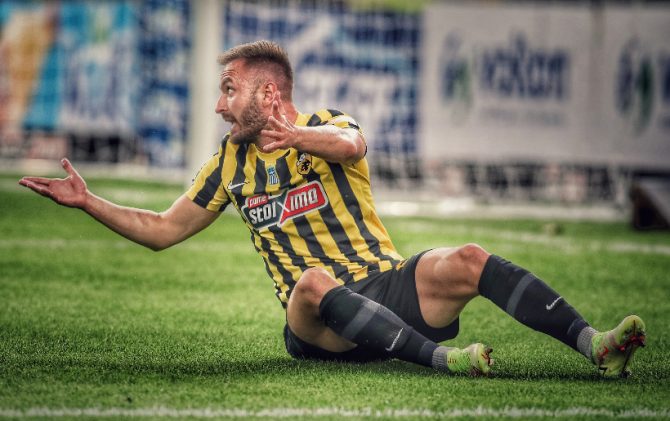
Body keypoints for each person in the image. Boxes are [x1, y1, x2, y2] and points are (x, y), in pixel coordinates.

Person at [19, 40, 646, 378]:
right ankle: (441, 362)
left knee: (469, 258)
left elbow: (353, 145)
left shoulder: (327, 124)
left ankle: (594, 344)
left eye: (229, 90)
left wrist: (295, 137)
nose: (218, 106)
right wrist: (88, 201)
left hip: (387, 288)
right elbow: (161, 229)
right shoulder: (228, 164)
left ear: (268, 92)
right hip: (318, 325)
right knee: (312, 283)